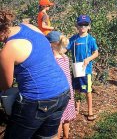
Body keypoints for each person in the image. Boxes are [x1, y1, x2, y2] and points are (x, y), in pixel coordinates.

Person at [0, 8, 70, 139]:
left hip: (39, 100)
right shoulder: (30, 27)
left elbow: (5, 85)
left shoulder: (8, 50)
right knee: (47, 136)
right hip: (62, 91)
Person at [67, 15, 99, 122]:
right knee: (77, 90)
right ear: (77, 26)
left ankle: (90, 111)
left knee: (87, 91)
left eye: (85, 25)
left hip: (86, 70)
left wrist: (88, 59)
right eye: (81, 24)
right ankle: (77, 108)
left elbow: (96, 53)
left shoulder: (90, 39)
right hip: (76, 69)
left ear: (89, 26)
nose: (83, 27)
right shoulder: (73, 39)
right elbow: (65, 48)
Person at [46, 31, 76, 139]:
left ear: (50, 45)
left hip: (59, 93)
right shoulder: (65, 58)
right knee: (66, 118)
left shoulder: (52, 60)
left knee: (58, 120)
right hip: (69, 92)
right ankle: (66, 136)